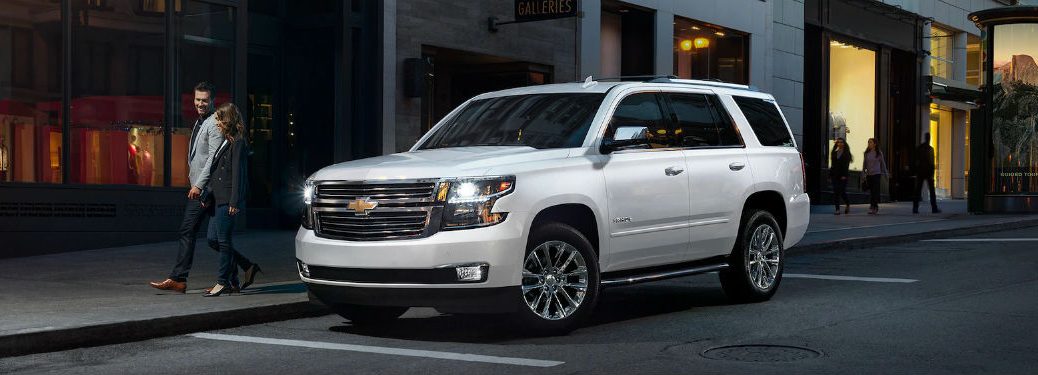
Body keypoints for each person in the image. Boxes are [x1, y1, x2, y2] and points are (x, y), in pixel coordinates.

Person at [150, 82, 224, 293]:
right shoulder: (200, 121)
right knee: (215, 239)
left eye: (204, 100)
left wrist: (199, 185)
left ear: (212, 101)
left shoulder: (214, 122)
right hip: (201, 187)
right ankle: (242, 270)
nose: (200, 103)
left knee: (187, 229)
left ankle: (178, 278)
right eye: (197, 99)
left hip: (205, 189)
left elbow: (213, 157)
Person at [203, 103, 256, 297]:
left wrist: (234, 202)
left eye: (219, 119)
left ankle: (223, 282)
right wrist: (208, 195)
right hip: (217, 199)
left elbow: (237, 175)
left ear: (228, 120)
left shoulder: (238, 142)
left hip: (227, 199)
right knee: (212, 240)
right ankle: (245, 267)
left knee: (223, 241)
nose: (216, 123)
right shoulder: (227, 140)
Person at [913, 133, 941, 214]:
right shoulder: (930, 149)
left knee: (918, 191)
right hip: (928, 172)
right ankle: (934, 208)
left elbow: (916, 160)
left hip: (920, 172)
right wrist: (932, 174)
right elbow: (932, 162)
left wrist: (916, 171)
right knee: (932, 191)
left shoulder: (919, 148)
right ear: (929, 139)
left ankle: (915, 208)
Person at [862, 138, 889, 215]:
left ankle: (873, 207)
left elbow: (883, 164)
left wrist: (886, 173)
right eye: (868, 142)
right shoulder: (866, 153)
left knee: (875, 191)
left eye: (870, 142)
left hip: (877, 174)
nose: (869, 144)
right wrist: (863, 174)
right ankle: (873, 206)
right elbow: (864, 165)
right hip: (869, 175)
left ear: (875, 144)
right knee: (871, 192)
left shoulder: (879, 153)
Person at [830, 137, 852, 215]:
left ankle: (847, 204)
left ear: (844, 144)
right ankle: (837, 209)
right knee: (836, 192)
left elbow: (846, 166)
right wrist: (830, 175)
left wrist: (844, 175)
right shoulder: (834, 152)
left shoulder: (846, 153)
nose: (840, 144)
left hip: (843, 175)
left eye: (841, 142)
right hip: (835, 175)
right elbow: (833, 165)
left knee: (842, 191)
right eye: (838, 142)